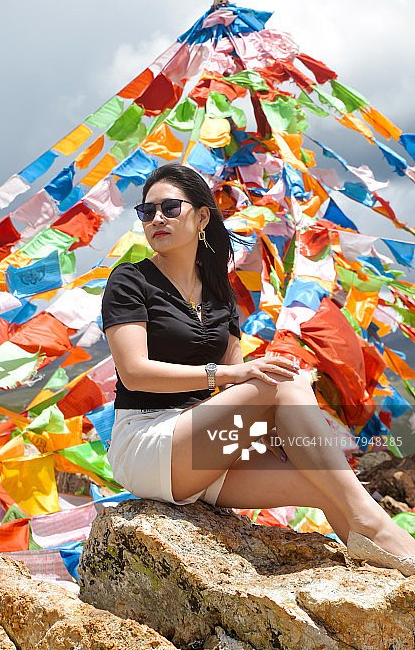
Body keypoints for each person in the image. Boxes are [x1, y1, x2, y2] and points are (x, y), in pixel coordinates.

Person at [102, 162, 415, 575]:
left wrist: (281, 439)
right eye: (147, 212)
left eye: (170, 208)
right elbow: (135, 372)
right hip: (148, 439)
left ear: (201, 217)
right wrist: (226, 375)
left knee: (323, 485)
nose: (157, 219)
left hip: (206, 445)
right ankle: (374, 524)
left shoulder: (220, 296)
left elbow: (238, 394)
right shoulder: (130, 280)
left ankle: (397, 573)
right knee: (279, 381)